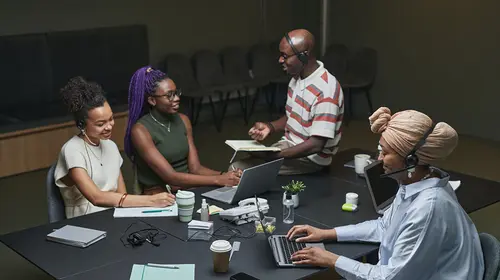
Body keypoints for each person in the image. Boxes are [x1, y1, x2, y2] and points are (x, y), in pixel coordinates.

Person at [286, 107, 484, 280]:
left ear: (411, 161)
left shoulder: (428, 208)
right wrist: (327, 234)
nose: (379, 159)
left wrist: (331, 260)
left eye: (385, 152)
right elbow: (384, 227)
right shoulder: (416, 181)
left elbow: (389, 278)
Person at [54, 77, 175, 219]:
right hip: (85, 221)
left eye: (111, 119)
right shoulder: (72, 150)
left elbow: (121, 195)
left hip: (113, 217)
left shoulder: (110, 146)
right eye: (100, 124)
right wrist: (150, 200)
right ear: (82, 124)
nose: (109, 126)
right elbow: (96, 197)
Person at [232, 29, 344, 175]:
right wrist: (270, 127)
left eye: (285, 56)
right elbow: (295, 116)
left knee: (239, 170)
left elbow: (316, 145)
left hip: (312, 159)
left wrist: (274, 156)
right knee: (241, 167)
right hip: (291, 145)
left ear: (304, 56)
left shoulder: (326, 90)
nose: (280, 60)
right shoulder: (297, 79)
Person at [125, 66, 241, 195]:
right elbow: (171, 177)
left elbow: (195, 168)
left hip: (188, 189)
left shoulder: (183, 120)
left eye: (176, 93)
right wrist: (218, 179)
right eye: (169, 95)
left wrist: (227, 176)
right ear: (152, 100)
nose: (176, 98)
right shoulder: (140, 131)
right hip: (161, 195)